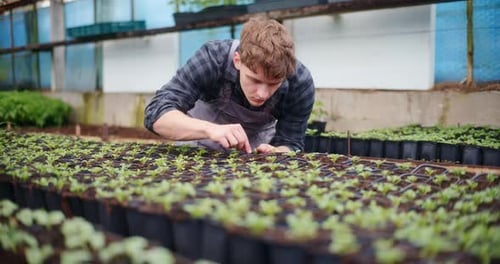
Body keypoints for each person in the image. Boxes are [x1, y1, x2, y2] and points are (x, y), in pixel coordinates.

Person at [144, 16, 315, 154]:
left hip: (251, 156)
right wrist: (210, 130)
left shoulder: (299, 83)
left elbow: (291, 143)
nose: (262, 93)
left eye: (273, 84)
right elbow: (156, 114)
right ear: (237, 60)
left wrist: (277, 152)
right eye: (255, 80)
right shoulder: (213, 59)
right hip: (195, 150)